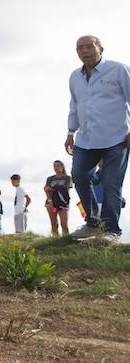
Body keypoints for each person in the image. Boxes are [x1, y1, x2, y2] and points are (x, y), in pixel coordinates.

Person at [66, 35, 130, 242]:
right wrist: (70, 132)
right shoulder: (75, 76)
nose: (85, 51)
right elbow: (75, 105)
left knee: (111, 183)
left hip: (116, 138)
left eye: (89, 46)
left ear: (100, 49)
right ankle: (93, 222)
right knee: (78, 175)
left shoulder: (119, 70)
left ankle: (112, 230)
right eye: (80, 48)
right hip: (86, 140)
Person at [45, 160, 73, 237]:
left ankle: (66, 241)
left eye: (58, 166)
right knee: (54, 225)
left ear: (62, 167)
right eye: (54, 166)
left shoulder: (67, 178)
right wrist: (50, 201)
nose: (56, 168)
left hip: (63, 204)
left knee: (64, 225)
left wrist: (53, 188)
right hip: (51, 204)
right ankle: (55, 241)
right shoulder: (50, 178)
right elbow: (46, 190)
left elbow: (65, 189)